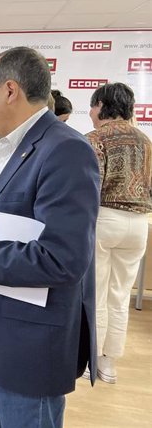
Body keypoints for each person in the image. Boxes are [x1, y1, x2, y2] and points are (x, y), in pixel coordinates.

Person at [0, 47, 100, 428]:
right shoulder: (13, 148)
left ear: (10, 90)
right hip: (0, 342)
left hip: (30, 350)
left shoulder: (66, 151)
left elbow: (64, 259)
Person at [85, 82, 152, 384]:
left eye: (92, 106)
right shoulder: (146, 141)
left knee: (96, 291)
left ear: (101, 106)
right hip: (139, 224)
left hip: (104, 218)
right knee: (120, 294)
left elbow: (89, 186)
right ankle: (108, 364)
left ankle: (90, 359)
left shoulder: (95, 139)